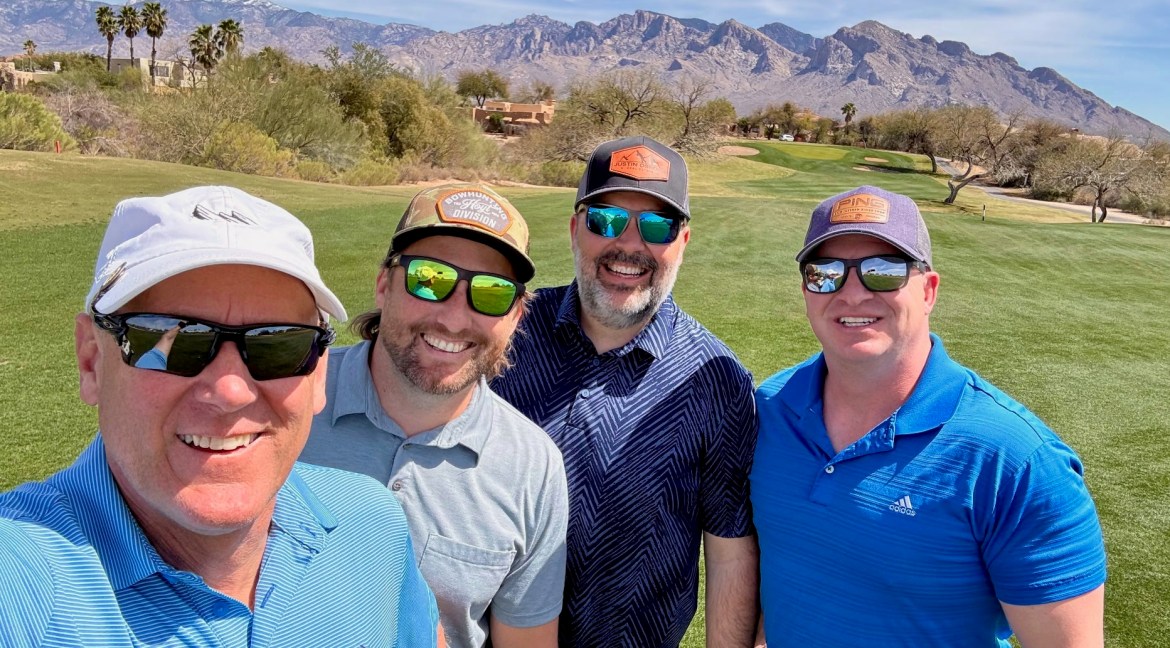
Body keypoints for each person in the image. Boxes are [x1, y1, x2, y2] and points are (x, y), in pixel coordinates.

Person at [0, 186, 442, 647]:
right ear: (92, 361)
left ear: (317, 376)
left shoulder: (371, 525)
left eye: (279, 345)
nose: (230, 391)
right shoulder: (21, 579)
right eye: (171, 341)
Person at [752, 185, 1107, 647]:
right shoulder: (770, 408)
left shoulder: (1019, 462)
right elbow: (788, 571)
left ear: (929, 291)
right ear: (806, 289)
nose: (852, 293)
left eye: (883, 271)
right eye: (826, 273)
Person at [491, 136, 760, 647]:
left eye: (656, 226)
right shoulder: (507, 330)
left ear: (682, 241)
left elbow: (729, 553)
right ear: (575, 229)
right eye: (607, 220)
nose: (630, 245)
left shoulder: (718, 381)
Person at [301, 183, 568, 648]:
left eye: (491, 293)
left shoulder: (532, 466)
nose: (453, 318)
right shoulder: (286, 398)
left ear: (517, 316)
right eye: (430, 279)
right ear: (384, 284)